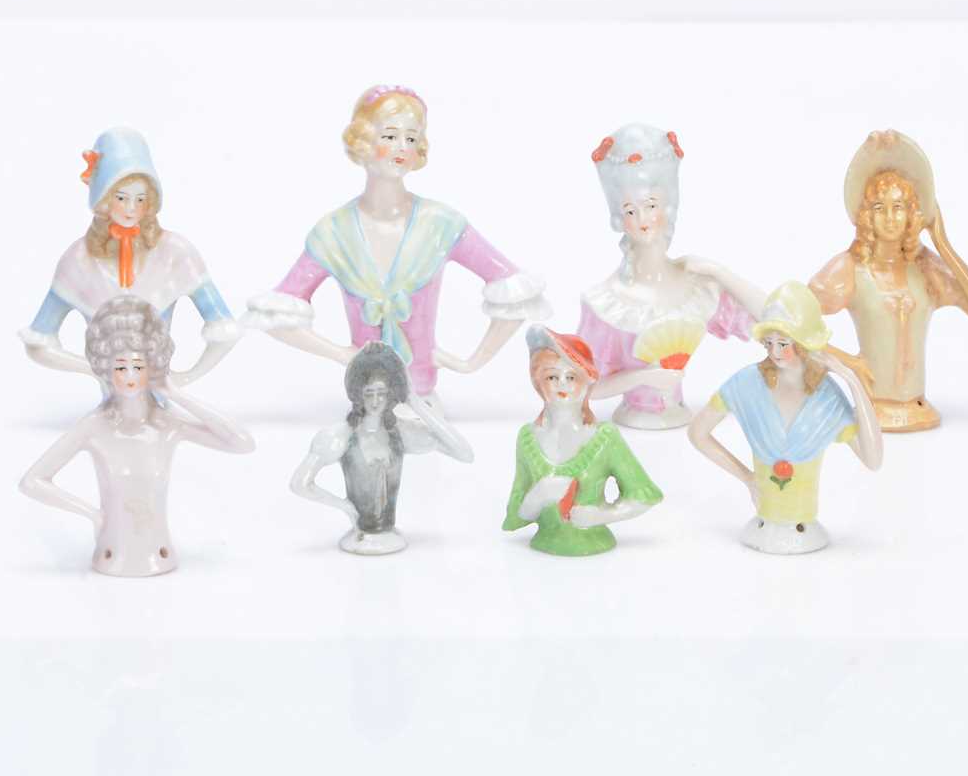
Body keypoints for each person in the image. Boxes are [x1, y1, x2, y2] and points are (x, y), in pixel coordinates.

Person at [244, 85, 549, 413]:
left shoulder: (441, 224)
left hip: (423, 400)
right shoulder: (334, 233)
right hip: (366, 401)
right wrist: (343, 355)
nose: (402, 147)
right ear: (363, 140)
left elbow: (514, 289)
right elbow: (277, 315)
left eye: (411, 137)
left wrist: (472, 362)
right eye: (390, 136)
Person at [19, 296, 254, 577]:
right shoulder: (94, 427)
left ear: (151, 366)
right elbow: (32, 481)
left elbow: (241, 443)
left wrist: (174, 393)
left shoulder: (167, 424)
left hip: (161, 558)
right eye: (121, 367)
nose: (130, 375)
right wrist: (93, 515)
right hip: (110, 560)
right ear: (106, 368)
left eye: (138, 367)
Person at [808, 129, 968, 432]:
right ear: (866, 215)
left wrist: (944, 245)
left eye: (898, 207)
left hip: (920, 410)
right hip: (871, 410)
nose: (889, 217)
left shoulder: (926, 269)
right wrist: (846, 363)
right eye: (879, 208)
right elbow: (790, 321)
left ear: (913, 213)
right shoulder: (849, 268)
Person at [576, 123, 765, 429]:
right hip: (631, 426)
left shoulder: (697, 287)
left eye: (651, 206)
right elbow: (584, 386)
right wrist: (643, 377)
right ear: (620, 217)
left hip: (683, 425)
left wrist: (720, 273)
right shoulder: (604, 302)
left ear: (667, 208)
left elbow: (774, 318)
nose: (643, 219)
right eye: (630, 210)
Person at [20, 127, 240, 387]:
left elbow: (224, 328)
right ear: (103, 199)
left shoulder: (174, 253)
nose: (131, 208)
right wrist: (97, 369)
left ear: (151, 201)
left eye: (140, 199)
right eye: (121, 197)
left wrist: (185, 378)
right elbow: (39, 343)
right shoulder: (79, 261)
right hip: (110, 402)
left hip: (162, 398)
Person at [688, 282, 882, 555]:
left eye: (783, 344)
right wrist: (747, 478)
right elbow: (697, 433)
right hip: (762, 527)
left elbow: (873, 460)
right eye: (769, 343)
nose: (775, 352)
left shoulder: (826, 397)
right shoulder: (747, 384)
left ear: (804, 343)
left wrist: (852, 381)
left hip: (807, 531)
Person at [290, 342, 473, 555]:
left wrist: (414, 401)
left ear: (391, 393)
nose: (376, 401)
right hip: (359, 538)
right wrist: (345, 507)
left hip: (391, 538)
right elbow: (299, 484)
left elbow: (464, 453)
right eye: (369, 393)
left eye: (382, 392)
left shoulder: (401, 432)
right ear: (358, 393)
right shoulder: (340, 436)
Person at [503, 326, 663, 556]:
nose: (562, 384)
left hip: (596, 547)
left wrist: (600, 516)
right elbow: (517, 516)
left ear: (588, 382)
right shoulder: (528, 437)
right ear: (538, 382)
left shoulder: (604, 438)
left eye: (571, 377)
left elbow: (644, 496)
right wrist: (537, 496)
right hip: (542, 548)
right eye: (552, 377)